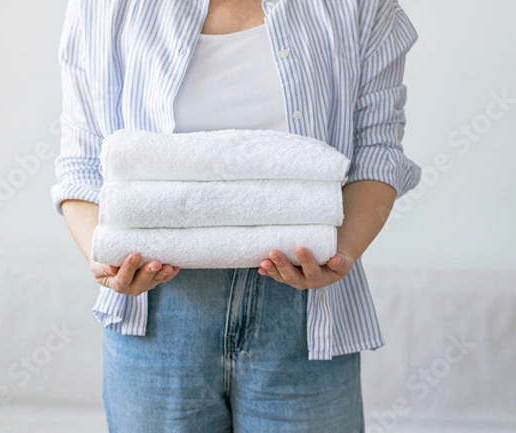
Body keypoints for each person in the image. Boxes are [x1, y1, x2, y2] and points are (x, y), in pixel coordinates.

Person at [51, 0, 421, 431]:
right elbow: (81, 164)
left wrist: (341, 251)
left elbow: (378, 153)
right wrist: (104, 255)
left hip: (308, 317)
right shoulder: (107, 7)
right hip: (155, 312)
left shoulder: (358, 6)